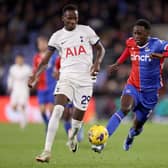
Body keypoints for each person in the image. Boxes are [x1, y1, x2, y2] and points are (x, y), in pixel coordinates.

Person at [28, 4, 105, 162]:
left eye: (75, 18)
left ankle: (73, 137)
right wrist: (35, 75)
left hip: (85, 81)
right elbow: (45, 61)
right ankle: (46, 151)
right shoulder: (57, 37)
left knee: (77, 121)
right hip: (66, 78)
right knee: (57, 110)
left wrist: (97, 63)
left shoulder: (87, 31)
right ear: (63, 18)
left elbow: (101, 49)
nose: (72, 21)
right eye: (69, 18)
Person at [92, 19, 168, 153]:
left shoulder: (158, 44)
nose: (136, 36)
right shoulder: (131, 42)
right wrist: (117, 63)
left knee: (138, 126)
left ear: (147, 34)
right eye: (135, 33)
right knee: (124, 108)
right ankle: (102, 141)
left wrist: (160, 55)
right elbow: (128, 51)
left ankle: (131, 134)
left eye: (140, 34)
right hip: (132, 86)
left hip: (150, 93)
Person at [32, 35, 59, 131]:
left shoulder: (54, 56)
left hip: (52, 85)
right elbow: (35, 71)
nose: (41, 45)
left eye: (43, 43)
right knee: (42, 110)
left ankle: (51, 126)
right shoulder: (36, 57)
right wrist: (34, 80)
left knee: (51, 109)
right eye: (39, 43)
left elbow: (58, 68)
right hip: (41, 87)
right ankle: (48, 124)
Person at [7, 53, 32, 128]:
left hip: (24, 89)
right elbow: (10, 78)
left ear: (23, 60)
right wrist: (9, 86)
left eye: (20, 59)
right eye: (18, 59)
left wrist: (30, 86)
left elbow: (31, 79)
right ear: (16, 60)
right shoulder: (13, 68)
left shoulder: (27, 68)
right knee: (13, 108)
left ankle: (23, 122)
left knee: (22, 105)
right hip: (15, 89)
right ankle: (24, 115)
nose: (19, 60)